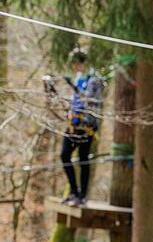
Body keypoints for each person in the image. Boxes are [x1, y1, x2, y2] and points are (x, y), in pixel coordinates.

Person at [59, 50, 104, 207]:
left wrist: (72, 85)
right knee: (65, 155)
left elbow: (88, 100)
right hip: (74, 122)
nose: (75, 67)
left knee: (83, 158)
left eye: (77, 64)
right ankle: (74, 191)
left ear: (83, 63)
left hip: (87, 124)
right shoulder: (79, 78)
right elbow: (75, 101)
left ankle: (82, 195)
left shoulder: (94, 79)